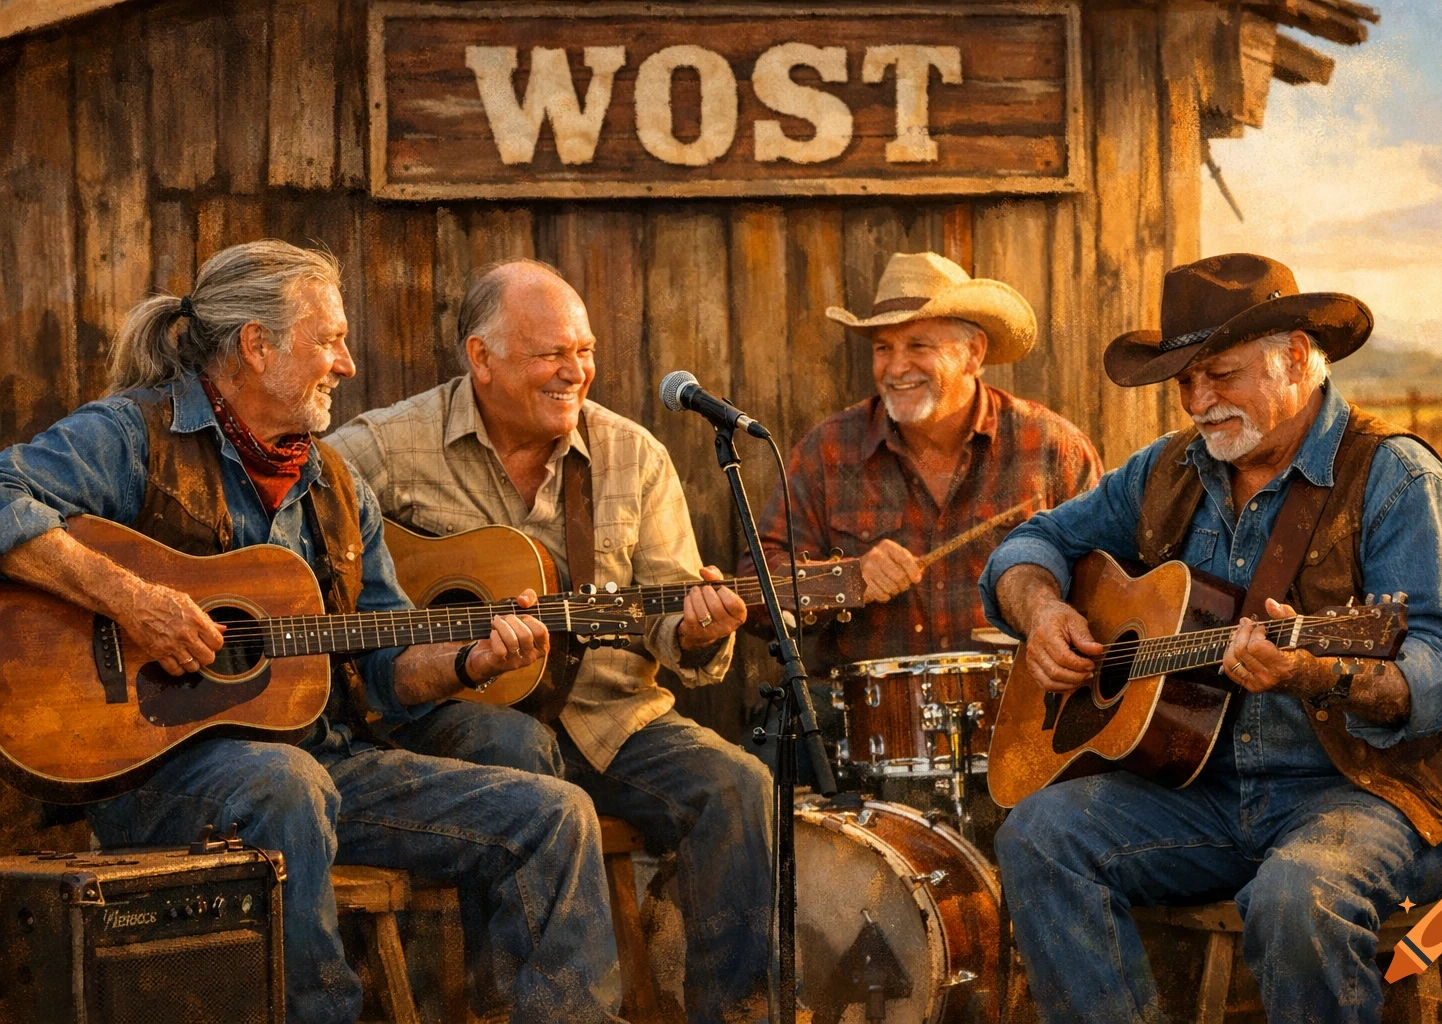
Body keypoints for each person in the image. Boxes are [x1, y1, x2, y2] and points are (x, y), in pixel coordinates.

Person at [0, 241, 627, 1024]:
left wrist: (467, 660)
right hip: (146, 780)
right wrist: (133, 601)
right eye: (328, 339)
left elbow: (390, 665)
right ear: (257, 346)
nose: (349, 363)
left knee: (555, 813)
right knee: (287, 784)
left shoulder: (334, 484)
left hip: (323, 766)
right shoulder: (133, 436)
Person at [980, 252, 1442, 1024]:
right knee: (1038, 838)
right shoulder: (1166, 471)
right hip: (1205, 796)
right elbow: (1027, 548)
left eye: (1220, 373)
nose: (1197, 400)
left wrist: (1320, 674)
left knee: (1298, 896)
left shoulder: (1396, 478)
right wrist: (1043, 613)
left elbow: (1441, 667)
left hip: (1369, 795)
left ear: (1294, 359)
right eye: (1185, 380)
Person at [326, 259, 773, 1024]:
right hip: (454, 710)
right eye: (550, 355)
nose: (576, 372)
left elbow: (670, 621)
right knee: (515, 754)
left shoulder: (633, 456)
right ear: (481, 358)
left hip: (611, 716)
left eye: (585, 351)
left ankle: (733, 1014)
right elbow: (295, 520)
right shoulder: (384, 449)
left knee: (738, 788)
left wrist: (699, 631)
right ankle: (519, 1011)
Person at [755, 251, 1102, 670]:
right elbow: (757, 591)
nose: (897, 367)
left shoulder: (1053, 447)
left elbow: (1107, 587)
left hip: (1025, 710)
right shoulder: (827, 450)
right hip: (866, 723)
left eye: (918, 345)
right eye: (884, 348)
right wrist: (849, 577)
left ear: (973, 353)